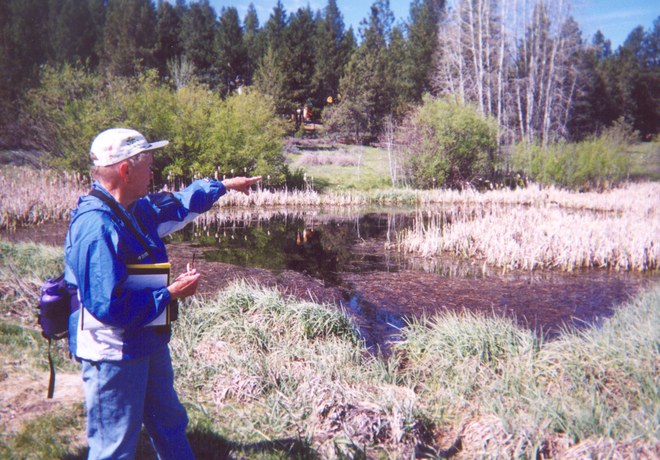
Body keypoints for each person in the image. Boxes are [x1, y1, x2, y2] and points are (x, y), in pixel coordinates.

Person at [64, 128, 261, 459]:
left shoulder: (135, 209)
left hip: (148, 339)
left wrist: (225, 186)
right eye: (149, 165)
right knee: (114, 445)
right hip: (113, 351)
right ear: (126, 169)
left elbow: (181, 202)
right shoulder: (96, 227)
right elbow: (109, 306)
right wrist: (170, 294)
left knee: (168, 420)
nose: (153, 172)